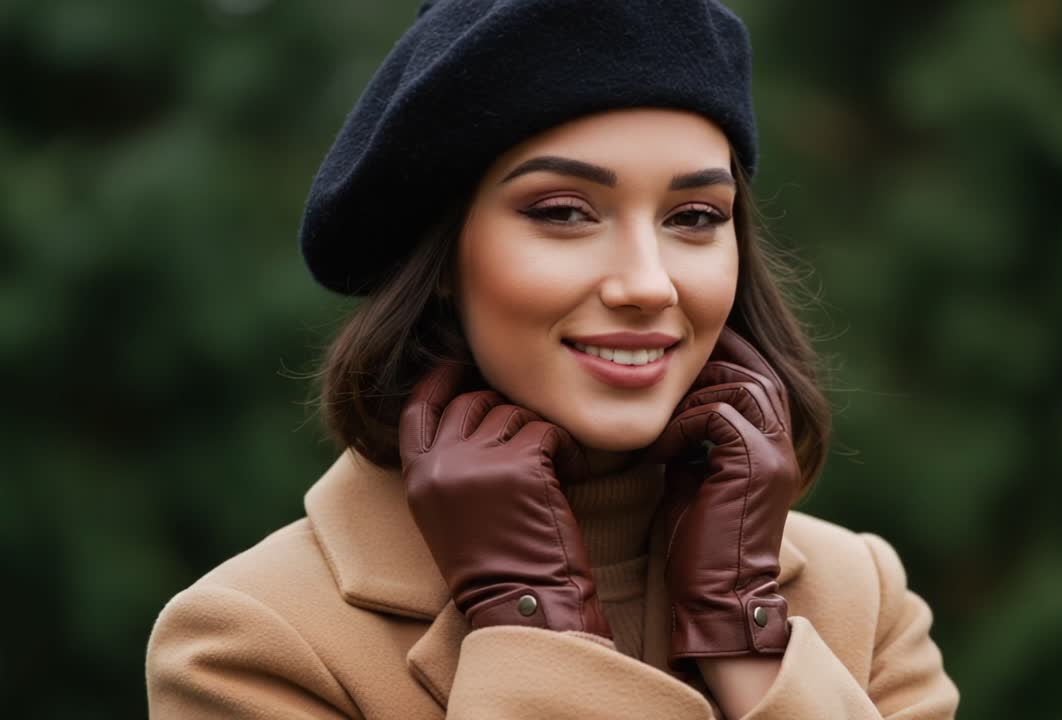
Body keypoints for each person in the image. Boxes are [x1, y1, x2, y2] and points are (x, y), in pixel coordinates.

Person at [145, 1, 960, 717]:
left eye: (694, 216)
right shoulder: (254, 640)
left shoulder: (861, 597)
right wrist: (534, 622)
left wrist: (743, 633)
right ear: (439, 262)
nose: (649, 284)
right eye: (564, 212)